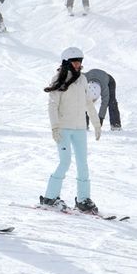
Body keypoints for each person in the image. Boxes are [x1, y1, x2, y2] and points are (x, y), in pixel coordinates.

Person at [39, 47, 102, 213]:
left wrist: (96, 124)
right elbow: (52, 106)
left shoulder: (82, 79)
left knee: (83, 164)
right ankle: (50, 197)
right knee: (65, 162)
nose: (78, 64)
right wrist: (55, 127)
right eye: (74, 61)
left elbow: (88, 103)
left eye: (80, 61)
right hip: (63, 128)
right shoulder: (58, 79)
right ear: (66, 62)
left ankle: (83, 199)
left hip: (80, 128)